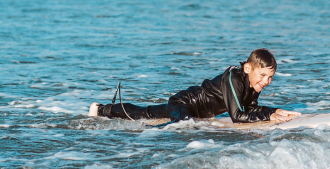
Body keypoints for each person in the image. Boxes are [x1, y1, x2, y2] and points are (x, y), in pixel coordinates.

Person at [88, 48, 300, 124]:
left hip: (199, 113)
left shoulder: (252, 86)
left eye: (270, 77)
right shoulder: (234, 79)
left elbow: (250, 110)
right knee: (179, 125)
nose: (266, 81)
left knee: (148, 113)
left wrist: (274, 111)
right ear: (247, 69)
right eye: (262, 75)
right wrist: (267, 115)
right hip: (185, 103)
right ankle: (102, 110)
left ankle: (103, 110)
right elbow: (238, 117)